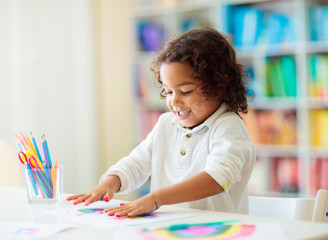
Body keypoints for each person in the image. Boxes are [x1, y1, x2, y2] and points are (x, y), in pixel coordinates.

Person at [67, 27, 256, 217]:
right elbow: (136, 163)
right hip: (165, 230)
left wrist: (157, 198)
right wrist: (109, 183)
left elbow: (216, 179)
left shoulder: (228, 127)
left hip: (217, 232)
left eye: (186, 91)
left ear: (220, 84)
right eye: (169, 92)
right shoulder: (166, 124)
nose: (174, 101)